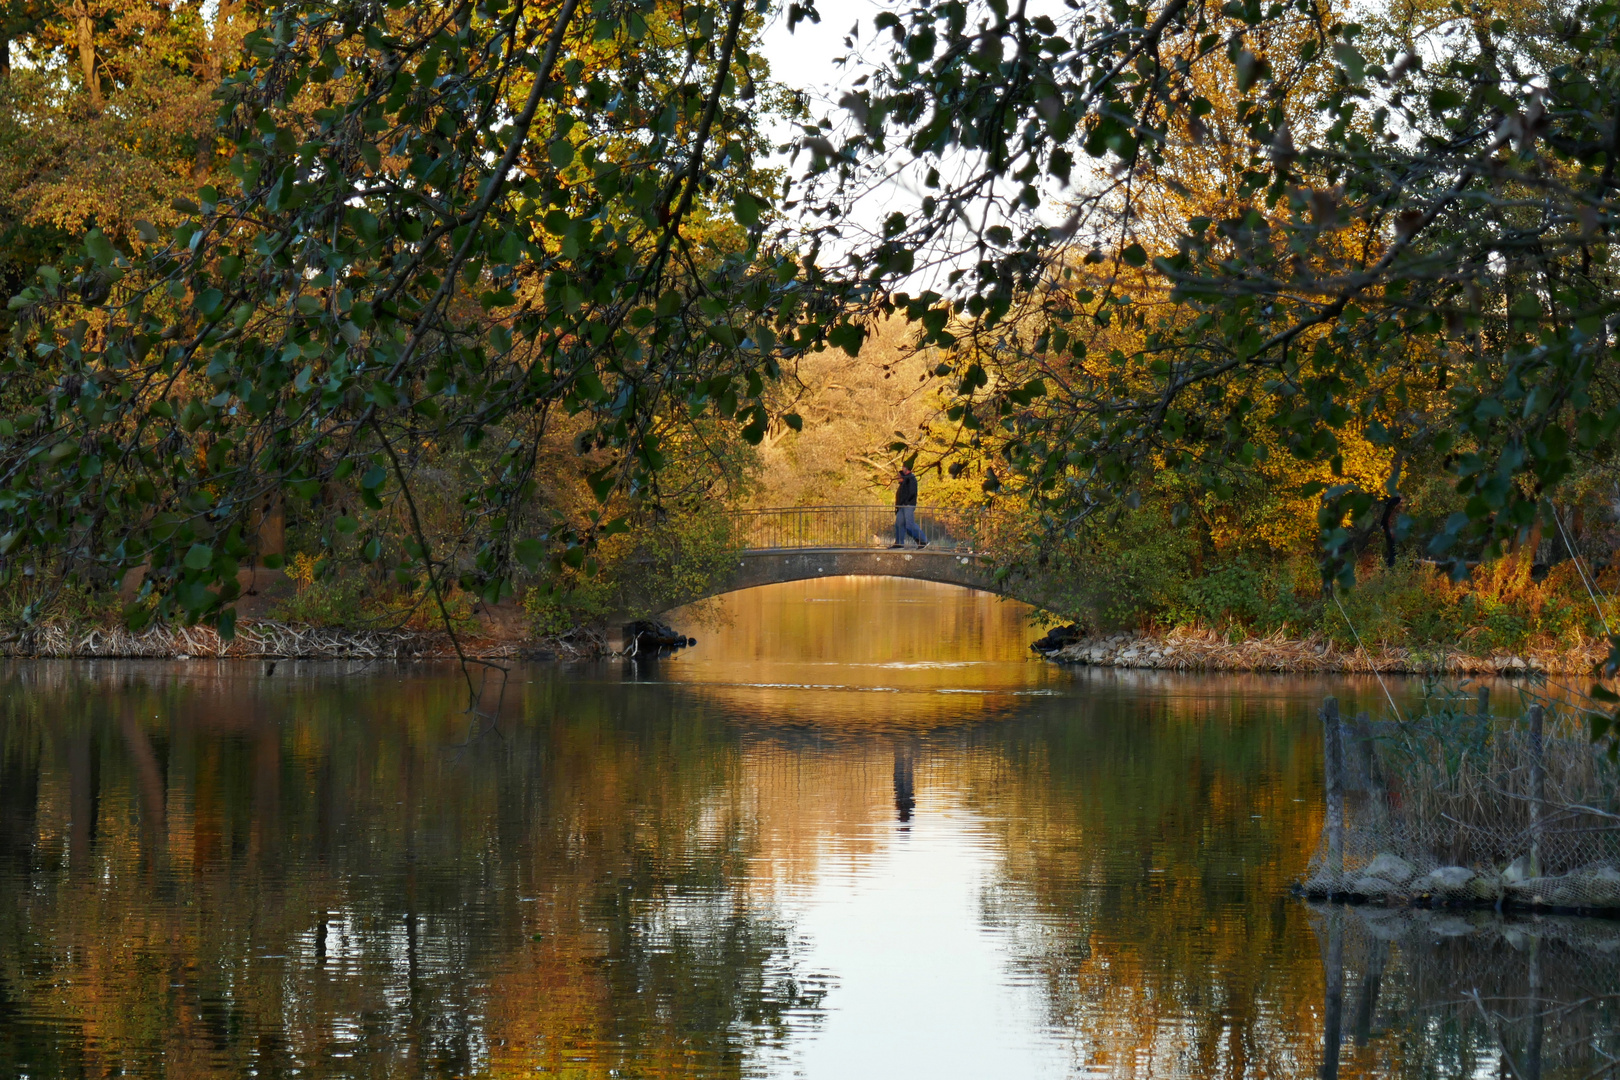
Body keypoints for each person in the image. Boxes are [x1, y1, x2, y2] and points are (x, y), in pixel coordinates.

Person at [891, 465, 927, 549]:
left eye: (904, 467)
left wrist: (906, 502)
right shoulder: (903, 483)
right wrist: (898, 507)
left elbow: (912, 492)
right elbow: (900, 496)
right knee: (899, 523)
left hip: (908, 505)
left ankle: (923, 540)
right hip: (902, 506)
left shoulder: (911, 479)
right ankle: (899, 543)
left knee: (909, 525)